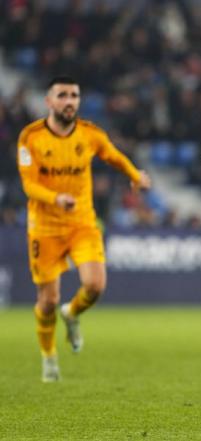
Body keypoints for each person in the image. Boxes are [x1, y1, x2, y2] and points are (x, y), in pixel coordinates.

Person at [17, 76, 151, 382]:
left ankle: (72, 314)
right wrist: (55, 198)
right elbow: (28, 184)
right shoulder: (31, 137)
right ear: (49, 101)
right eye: (62, 95)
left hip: (81, 222)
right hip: (45, 227)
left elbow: (113, 155)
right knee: (48, 300)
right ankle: (49, 357)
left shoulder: (89, 133)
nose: (69, 101)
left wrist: (134, 174)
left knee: (94, 286)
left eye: (74, 95)